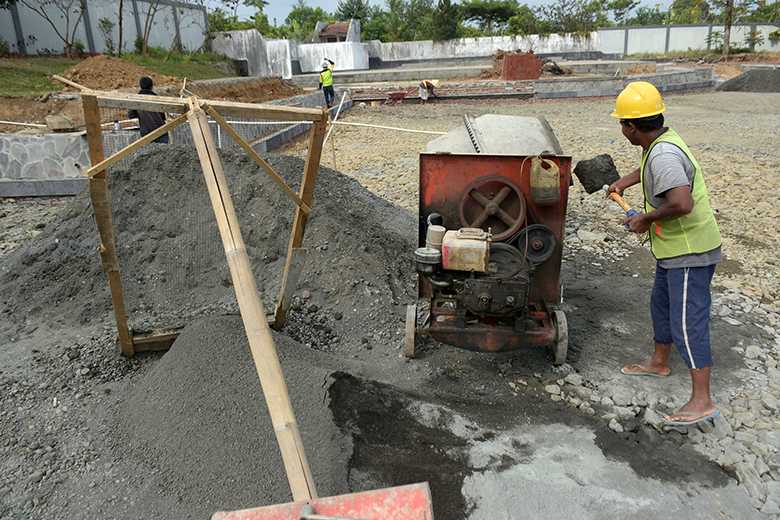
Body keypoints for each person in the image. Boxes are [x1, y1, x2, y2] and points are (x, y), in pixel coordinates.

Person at [608, 81, 722, 427]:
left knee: (688, 322)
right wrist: (622, 185)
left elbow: (681, 203)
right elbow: (647, 170)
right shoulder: (657, 144)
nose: (622, 129)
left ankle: (702, 399)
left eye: (622, 123)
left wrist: (645, 218)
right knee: (661, 305)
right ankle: (659, 362)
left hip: (691, 251)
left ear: (630, 126)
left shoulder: (664, 154)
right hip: (673, 251)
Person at [128, 76, 168, 143]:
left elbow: (131, 115)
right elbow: (163, 116)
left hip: (146, 133)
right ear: (151, 87)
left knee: (149, 152)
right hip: (161, 131)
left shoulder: (136, 99)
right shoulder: (157, 98)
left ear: (140, 86)